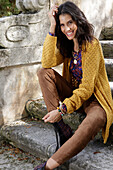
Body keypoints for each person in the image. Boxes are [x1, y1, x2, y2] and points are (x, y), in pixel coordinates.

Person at [30, 1, 113, 169]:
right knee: (43, 73)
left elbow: (87, 89)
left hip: (95, 100)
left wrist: (62, 109)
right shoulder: (67, 46)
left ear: (78, 21)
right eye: (62, 24)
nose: (67, 28)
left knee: (93, 120)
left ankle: (47, 167)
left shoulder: (91, 45)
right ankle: (62, 129)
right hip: (74, 95)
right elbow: (46, 63)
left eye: (70, 22)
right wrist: (52, 26)